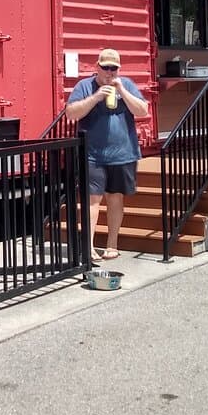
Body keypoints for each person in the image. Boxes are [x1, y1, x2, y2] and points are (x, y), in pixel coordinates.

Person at [66, 47, 149, 262]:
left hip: (123, 153)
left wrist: (122, 90)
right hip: (92, 154)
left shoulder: (126, 84)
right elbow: (71, 113)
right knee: (92, 200)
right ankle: (89, 247)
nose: (110, 72)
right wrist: (95, 97)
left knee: (115, 198)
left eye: (114, 68)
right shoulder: (85, 86)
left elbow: (143, 111)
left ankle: (112, 244)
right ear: (97, 67)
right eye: (106, 68)